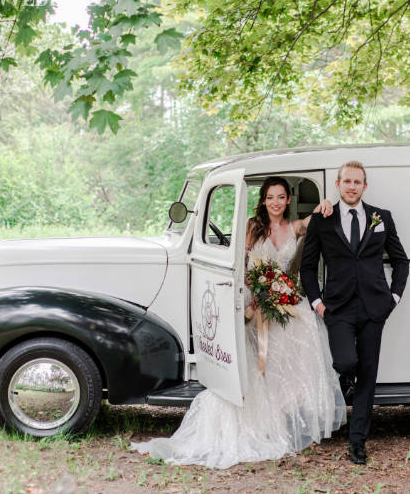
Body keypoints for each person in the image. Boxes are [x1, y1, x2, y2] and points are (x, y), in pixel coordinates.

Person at [132, 177, 345, 469]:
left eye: (281, 197)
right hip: (255, 298)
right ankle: (261, 415)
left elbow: (316, 217)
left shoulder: (295, 227)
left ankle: (285, 412)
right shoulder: (252, 227)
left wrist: (326, 203)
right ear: (263, 200)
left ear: (287, 200)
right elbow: (241, 265)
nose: (275, 203)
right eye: (270, 197)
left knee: (305, 327)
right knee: (255, 353)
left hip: (281, 299)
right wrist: (257, 292)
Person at [300, 160, 409, 465]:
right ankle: (347, 378)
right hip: (338, 308)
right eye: (346, 181)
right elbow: (307, 267)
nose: (351, 186)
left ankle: (357, 441)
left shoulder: (381, 217)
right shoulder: (322, 219)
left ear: (364, 186)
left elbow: (401, 261)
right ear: (337, 184)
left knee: (368, 375)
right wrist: (318, 304)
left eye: (357, 182)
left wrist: (394, 298)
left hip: (375, 307)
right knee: (346, 361)